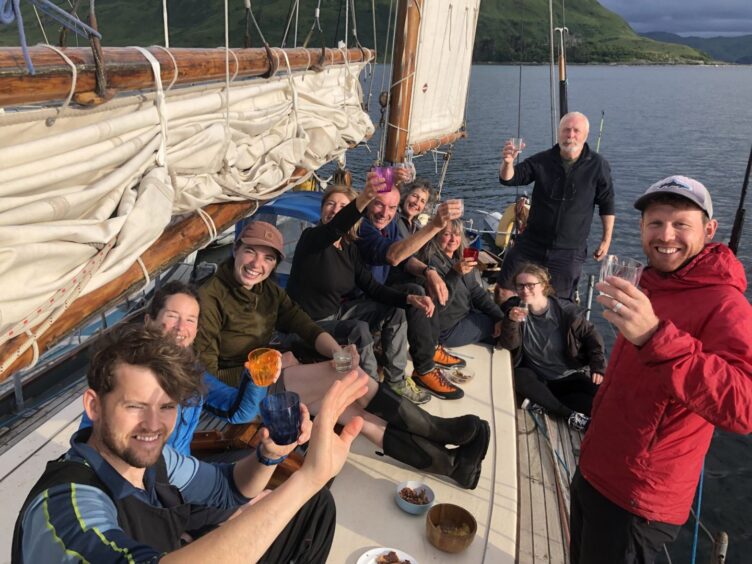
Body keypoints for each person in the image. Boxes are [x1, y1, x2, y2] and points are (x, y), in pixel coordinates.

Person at [12, 323, 357, 563]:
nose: (152, 425)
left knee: (315, 507)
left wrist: (268, 455)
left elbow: (229, 487)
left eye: (166, 407)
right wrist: (307, 478)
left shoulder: (156, 461)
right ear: (94, 406)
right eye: (134, 406)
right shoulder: (64, 505)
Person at [194, 220, 491, 488]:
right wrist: (263, 367)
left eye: (268, 257)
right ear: (235, 249)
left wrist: (338, 351)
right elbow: (208, 377)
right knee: (348, 375)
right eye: (250, 252)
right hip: (240, 396)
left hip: (269, 380)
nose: (257, 263)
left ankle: (452, 467)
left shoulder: (268, 292)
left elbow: (306, 326)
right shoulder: (210, 297)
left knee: (355, 414)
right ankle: (439, 430)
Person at [570, 176, 752, 563]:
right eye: (655, 223)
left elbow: (744, 405)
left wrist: (655, 335)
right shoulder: (650, 283)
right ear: (641, 227)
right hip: (593, 469)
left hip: (638, 501)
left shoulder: (726, 305)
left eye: (680, 224)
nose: (665, 234)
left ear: (709, 229)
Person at [286, 176, 435, 404]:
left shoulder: (349, 247)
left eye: (343, 206)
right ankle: (372, 393)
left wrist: (409, 299)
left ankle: (395, 381)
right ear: (322, 209)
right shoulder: (311, 240)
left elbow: (373, 288)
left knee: (396, 310)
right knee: (359, 329)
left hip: (335, 314)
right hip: (306, 325)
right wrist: (364, 197)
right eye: (330, 204)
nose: (336, 210)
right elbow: (335, 227)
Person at [80, 281, 267, 456]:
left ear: (195, 331)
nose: (180, 328)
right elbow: (96, 441)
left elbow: (240, 413)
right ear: (148, 321)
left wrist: (255, 377)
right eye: (172, 316)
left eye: (190, 320)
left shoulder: (191, 372)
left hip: (179, 474)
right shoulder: (122, 371)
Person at [356, 182, 469, 401]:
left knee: (421, 288)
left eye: (391, 208)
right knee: (414, 293)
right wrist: (435, 225)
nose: (385, 212)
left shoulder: (391, 224)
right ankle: (424, 368)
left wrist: (430, 271)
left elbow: (405, 258)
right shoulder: (367, 227)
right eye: (379, 204)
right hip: (364, 298)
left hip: (378, 289)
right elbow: (393, 256)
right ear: (368, 202)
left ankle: (430, 351)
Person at [496, 111, 616, 302]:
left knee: (558, 303)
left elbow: (607, 202)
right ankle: (507, 328)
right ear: (559, 133)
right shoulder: (542, 160)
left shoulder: (598, 165)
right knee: (504, 290)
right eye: (566, 130)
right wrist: (508, 162)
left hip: (569, 250)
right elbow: (509, 179)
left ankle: (545, 331)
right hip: (531, 243)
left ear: (585, 135)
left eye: (576, 130)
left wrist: (606, 239)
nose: (570, 135)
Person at [497, 263, 605, 432]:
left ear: (543, 286)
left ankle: (545, 404)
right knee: (518, 376)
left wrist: (597, 365)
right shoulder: (514, 309)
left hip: (568, 377)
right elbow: (509, 345)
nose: (525, 290)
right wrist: (510, 322)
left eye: (531, 285)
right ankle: (568, 415)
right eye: (520, 286)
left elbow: (592, 336)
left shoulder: (566, 313)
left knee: (602, 400)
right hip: (538, 379)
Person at [421, 219, 504, 346]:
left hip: (465, 315)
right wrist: (455, 273)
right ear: (435, 236)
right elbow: (440, 305)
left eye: (457, 234)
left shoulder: (459, 258)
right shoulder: (431, 263)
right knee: (503, 327)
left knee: (501, 321)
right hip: (445, 330)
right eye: (447, 234)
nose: (454, 239)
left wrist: (498, 315)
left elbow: (475, 291)